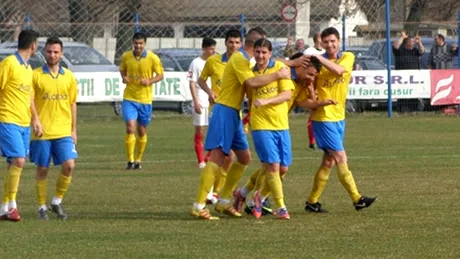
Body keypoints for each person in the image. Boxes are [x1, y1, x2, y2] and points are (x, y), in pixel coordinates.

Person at [191, 27, 290, 220]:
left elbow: (271, 65)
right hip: (224, 110)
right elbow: (252, 83)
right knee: (217, 158)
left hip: (234, 112)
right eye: (261, 47)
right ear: (256, 44)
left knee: (244, 158)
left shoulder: (246, 60)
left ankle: (225, 200)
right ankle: (199, 204)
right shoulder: (239, 59)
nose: (263, 53)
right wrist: (278, 75)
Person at [237, 53, 336, 217]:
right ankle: (267, 202)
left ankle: (243, 193)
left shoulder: (301, 83)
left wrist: (317, 98)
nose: (311, 78)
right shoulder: (284, 71)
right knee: (272, 166)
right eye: (310, 74)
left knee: (279, 168)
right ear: (301, 65)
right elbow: (270, 62)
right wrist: (291, 62)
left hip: (281, 125)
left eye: (314, 76)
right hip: (263, 122)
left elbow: (306, 104)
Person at [304, 27, 376, 213]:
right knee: (341, 157)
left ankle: (312, 202)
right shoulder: (317, 64)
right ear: (321, 43)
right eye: (326, 42)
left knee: (329, 161)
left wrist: (319, 57)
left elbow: (338, 71)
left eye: (332, 41)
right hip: (323, 117)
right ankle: (357, 199)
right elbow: (308, 81)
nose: (329, 45)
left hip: (339, 117)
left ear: (339, 41)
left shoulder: (347, 57)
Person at [245, 38, 295, 219]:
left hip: (281, 125)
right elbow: (251, 96)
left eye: (264, 52)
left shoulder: (280, 69)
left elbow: (287, 94)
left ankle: (259, 196)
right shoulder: (251, 74)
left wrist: (267, 101)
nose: (260, 56)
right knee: (273, 166)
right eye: (257, 52)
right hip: (260, 125)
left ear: (270, 53)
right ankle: (281, 207)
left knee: (283, 169)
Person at [30, 37, 78, 220]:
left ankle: (56, 201)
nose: (52, 55)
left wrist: (74, 129)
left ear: (61, 54)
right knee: (43, 168)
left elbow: (73, 103)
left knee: (69, 165)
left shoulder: (69, 77)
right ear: (44, 52)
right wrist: (35, 120)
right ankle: (42, 206)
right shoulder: (35, 75)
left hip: (63, 130)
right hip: (42, 131)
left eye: (56, 52)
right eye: (49, 51)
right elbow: (30, 100)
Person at [197, 29, 242, 205]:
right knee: (221, 153)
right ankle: (210, 194)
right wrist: (209, 91)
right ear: (226, 43)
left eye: (237, 42)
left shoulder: (243, 63)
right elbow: (201, 80)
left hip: (236, 111)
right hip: (218, 111)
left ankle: (215, 192)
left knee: (230, 156)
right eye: (231, 42)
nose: (234, 45)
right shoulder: (214, 61)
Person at [0, 29, 39, 222]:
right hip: (8, 119)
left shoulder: (28, 69)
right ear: (34, 45)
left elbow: (29, 96)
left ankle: (3, 208)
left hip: (24, 123)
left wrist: (36, 120)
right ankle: (12, 206)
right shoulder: (9, 64)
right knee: (19, 160)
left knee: (13, 165)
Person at [120, 32, 164, 170]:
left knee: (141, 131)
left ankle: (138, 160)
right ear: (133, 43)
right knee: (130, 127)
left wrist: (149, 81)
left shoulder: (152, 58)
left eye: (141, 43)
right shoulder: (126, 56)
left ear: (145, 44)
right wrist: (124, 77)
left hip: (145, 100)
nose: (138, 46)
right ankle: (130, 160)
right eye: (136, 43)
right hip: (129, 98)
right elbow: (122, 70)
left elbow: (161, 75)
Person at [188, 37, 217, 169]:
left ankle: (208, 157)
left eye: (214, 49)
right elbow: (192, 83)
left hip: (214, 101)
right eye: (211, 49)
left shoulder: (215, 62)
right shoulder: (195, 63)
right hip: (201, 100)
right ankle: (201, 161)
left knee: (215, 130)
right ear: (204, 48)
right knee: (200, 131)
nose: (213, 51)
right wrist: (196, 101)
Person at [392, 30, 425, 113]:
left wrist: (419, 43)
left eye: (414, 41)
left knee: (414, 93)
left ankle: (414, 109)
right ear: (407, 42)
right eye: (412, 41)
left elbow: (422, 51)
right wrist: (402, 37)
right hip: (402, 77)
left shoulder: (415, 50)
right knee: (403, 94)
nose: (413, 42)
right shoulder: (400, 50)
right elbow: (395, 46)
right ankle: (402, 109)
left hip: (413, 77)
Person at [304, 32, 326, 150]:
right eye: (322, 39)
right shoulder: (309, 52)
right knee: (313, 114)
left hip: (323, 87)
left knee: (320, 114)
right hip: (312, 86)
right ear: (316, 40)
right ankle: (312, 140)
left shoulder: (326, 53)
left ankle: (317, 140)